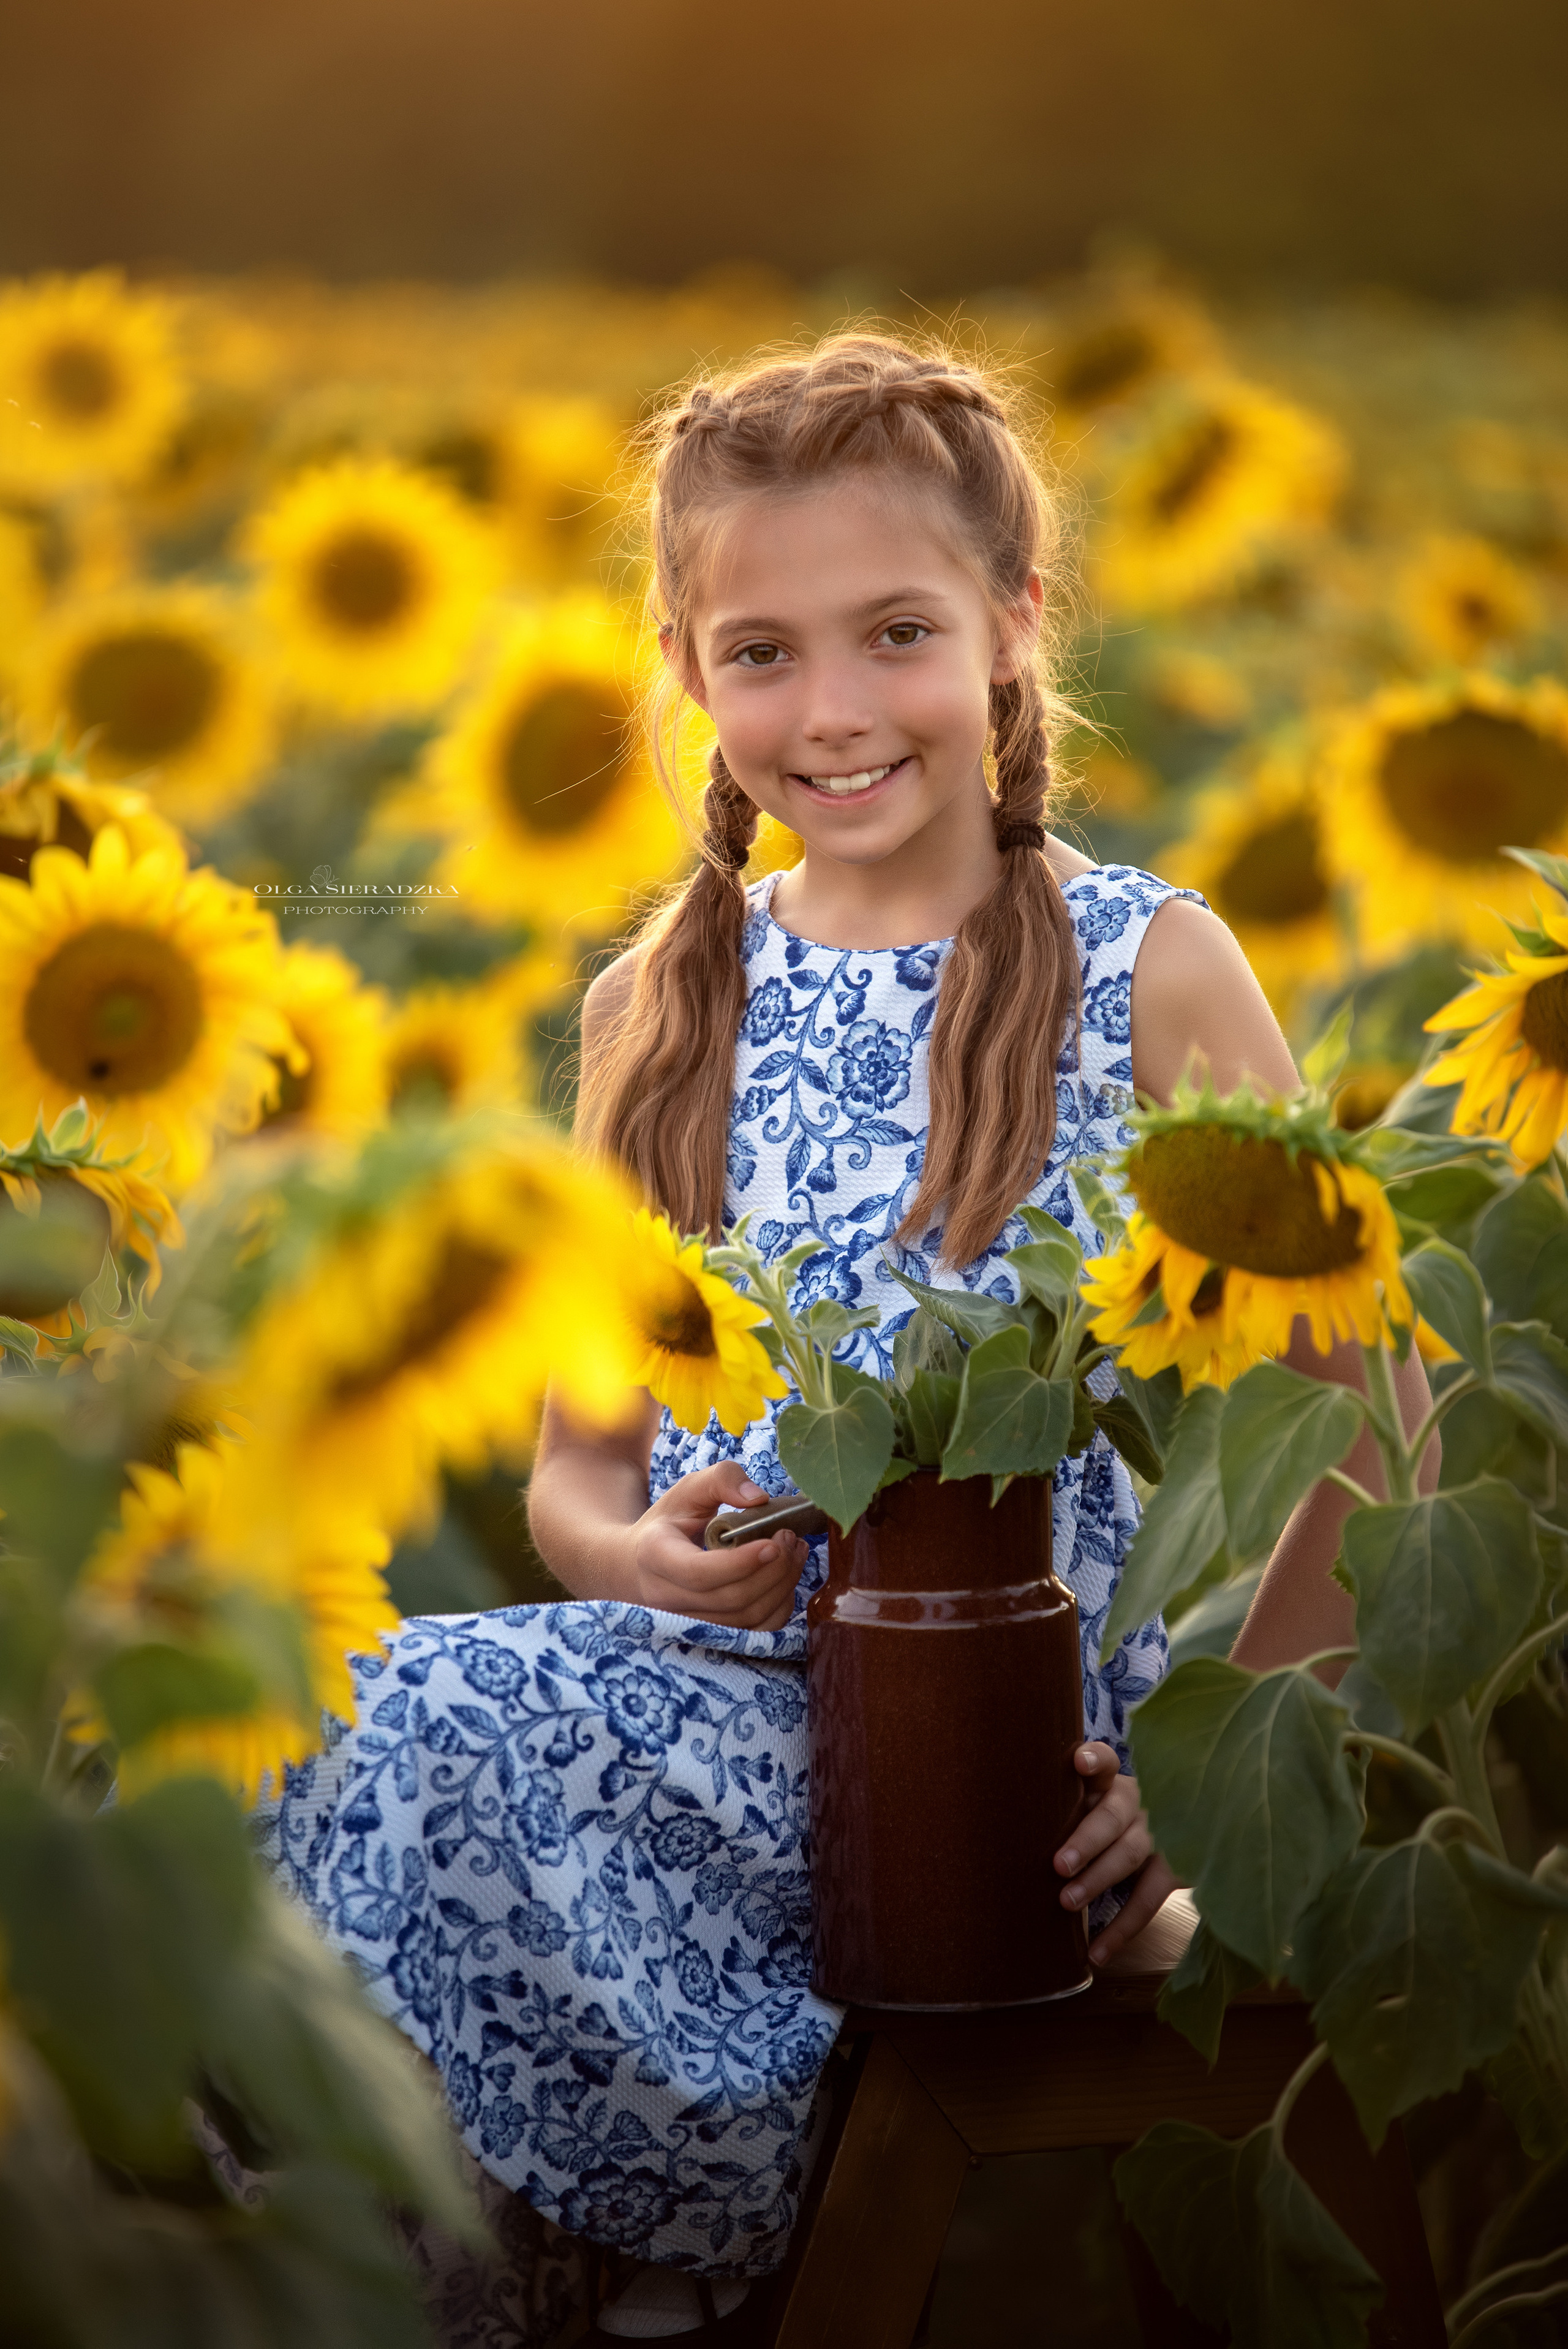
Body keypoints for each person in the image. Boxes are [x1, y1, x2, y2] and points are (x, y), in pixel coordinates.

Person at [259, 334, 1430, 2344]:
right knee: (294, 1715)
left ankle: (633, 2246)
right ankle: (458, 2265)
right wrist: (638, 1556)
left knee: (426, 1734)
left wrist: (1210, 1755)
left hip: (1007, 1745)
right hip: (709, 1696)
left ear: (1012, 631)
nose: (832, 710)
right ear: (690, 674)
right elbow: (573, 1469)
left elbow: (1373, 1414)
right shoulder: (670, 1001)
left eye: (896, 632)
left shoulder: (1148, 965)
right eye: (762, 651)